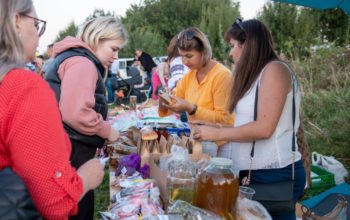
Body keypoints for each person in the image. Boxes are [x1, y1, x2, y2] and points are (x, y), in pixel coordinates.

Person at [191, 19, 306, 219]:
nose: (231, 52)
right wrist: (215, 126)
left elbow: (264, 128)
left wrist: (218, 133)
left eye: (234, 46)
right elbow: (248, 123)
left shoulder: (275, 70)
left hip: (273, 175)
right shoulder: (258, 74)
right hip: (254, 174)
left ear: (249, 45)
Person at [0, 0, 105, 219]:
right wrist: (87, 176)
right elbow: (53, 203)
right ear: (17, 22)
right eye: (37, 25)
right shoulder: (22, 86)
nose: (39, 36)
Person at [45, 16, 127, 220]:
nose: (116, 57)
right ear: (98, 39)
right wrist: (107, 130)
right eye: (114, 49)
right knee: (77, 210)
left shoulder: (75, 59)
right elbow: (76, 113)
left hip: (64, 148)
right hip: (71, 152)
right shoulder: (83, 63)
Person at [158, 27, 234, 129]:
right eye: (182, 56)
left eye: (189, 56)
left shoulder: (223, 76)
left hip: (221, 143)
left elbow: (223, 120)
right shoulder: (189, 77)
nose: (184, 62)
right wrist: (164, 102)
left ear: (203, 52)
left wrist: (191, 108)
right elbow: (170, 108)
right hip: (198, 140)